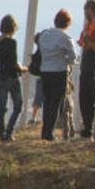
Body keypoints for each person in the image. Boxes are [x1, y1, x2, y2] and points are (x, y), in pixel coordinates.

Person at [38, 9, 77, 141]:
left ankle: (45, 131)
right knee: (56, 103)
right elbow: (73, 57)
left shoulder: (44, 35)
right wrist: (65, 60)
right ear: (67, 23)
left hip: (45, 71)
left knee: (48, 102)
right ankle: (49, 133)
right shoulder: (65, 38)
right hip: (59, 72)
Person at [0, 14, 27, 142]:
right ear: (12, 28)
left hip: (1, 77)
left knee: (2, 108)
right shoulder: (12, 43)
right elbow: (14, 62)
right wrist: (23, 68)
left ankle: (2, 134)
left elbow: (0, 58)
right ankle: (9, 132)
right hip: (12, 78)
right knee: (18, 106)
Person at [78, 0, 95, 139]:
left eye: (86, 11)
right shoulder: (89, 25)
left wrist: (88, 40)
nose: (84, 14)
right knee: (84, 99)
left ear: (91, 10)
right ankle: (87, 129)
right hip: (86, 67)